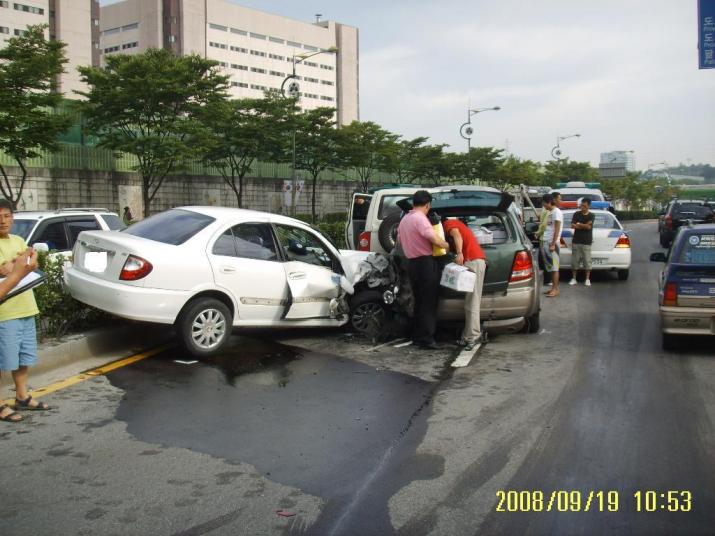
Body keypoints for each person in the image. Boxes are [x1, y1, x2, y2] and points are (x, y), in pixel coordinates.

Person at [0, 199, 50, 423]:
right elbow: (8, 268)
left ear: (12, 218)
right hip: (5, 312)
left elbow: (28, 262)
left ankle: (22, 396)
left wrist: (22, 263)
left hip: (26, 308)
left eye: (7, 216)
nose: (3, 221)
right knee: (3, 361)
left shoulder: (18, 239)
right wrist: (18, 264)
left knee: (23, 358)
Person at [397, 190, 450, 350]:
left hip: (411, 264)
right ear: (428, 205)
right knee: (428, 302)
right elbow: (432, 237)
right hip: (426, 264)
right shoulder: (420, 219)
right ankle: (426, 338)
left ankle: (418, 336)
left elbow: (400, 240)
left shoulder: (405, 220)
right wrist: (446, 245)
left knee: (418, 301)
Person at [443, 217, 488, 350]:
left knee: (472, 301)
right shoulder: (460, 225)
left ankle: (473, 336)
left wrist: (459, 253)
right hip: (475, 261)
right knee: (471, 301)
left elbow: (456, 234)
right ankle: (468, 335)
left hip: (473, 261)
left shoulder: (449, 223)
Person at [540, 193, 563, 298]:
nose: (543, 205)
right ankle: (553, 288)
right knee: (551, 267)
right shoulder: (551, 212)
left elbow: (557, 228)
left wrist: (553, 243)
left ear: (548, 202)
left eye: (544, 203)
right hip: (547, 242)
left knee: (555, 268)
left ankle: (555, 290)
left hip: (552, 244)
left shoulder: (556, 212)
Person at [569, 198, 595, 286]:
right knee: (574, 261)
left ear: (589, 206)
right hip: (576, 241)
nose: (582, 207)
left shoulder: (591, 215)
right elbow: (572, 225)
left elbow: (589, 227)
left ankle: (587, 279)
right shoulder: (576, 214)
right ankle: (574, 278)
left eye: (585, 205)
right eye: (582, 205)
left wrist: (579, 224)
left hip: (586, 241)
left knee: (587, 261)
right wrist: (583, 225)